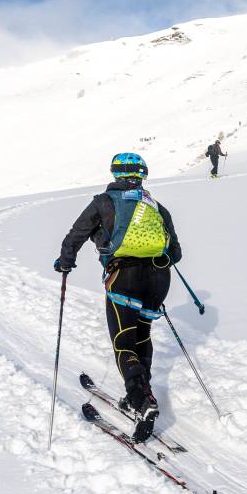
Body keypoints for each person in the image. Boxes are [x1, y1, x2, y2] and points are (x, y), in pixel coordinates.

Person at [54, 153, 182, 442]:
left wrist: (65, 262)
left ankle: (142, 400)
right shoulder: (156, 207)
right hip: (159, 278)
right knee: (142, 336)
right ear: (141, 175)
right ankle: (139, 391)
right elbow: (175, 253)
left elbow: (76, 234)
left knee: (123, 341)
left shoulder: (103, 201)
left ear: (115, 174)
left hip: (123, 277)